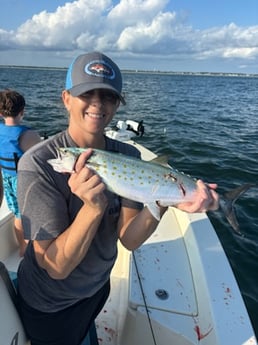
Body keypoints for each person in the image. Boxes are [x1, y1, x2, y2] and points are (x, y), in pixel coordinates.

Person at [16, 51, 219, 345]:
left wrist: (161, 201)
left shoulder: (130, 155)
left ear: (117, 104)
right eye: (87, 93)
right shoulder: (38, 163)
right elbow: (55, 267)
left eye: (108, 96)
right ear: (66, 99)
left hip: (98, 287)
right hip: (52, 304)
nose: (98, 103)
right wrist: (93, 207)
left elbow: (129, 239)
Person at [0, 89, 41, 256]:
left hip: (7, 179)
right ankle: (36, 249)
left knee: (18, 214)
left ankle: (23, 248)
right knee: (33, 213)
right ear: (22, 111)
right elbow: (42, 160)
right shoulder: (28, 135)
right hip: (24, 182)